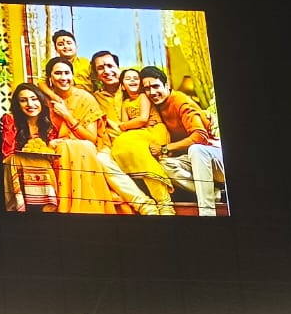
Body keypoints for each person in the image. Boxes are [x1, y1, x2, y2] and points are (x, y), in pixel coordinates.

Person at [40, 57, 159, 215]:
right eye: (58, 73)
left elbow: (92, 139)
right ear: (49, 77)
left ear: (73, 76)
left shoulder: (89, 97)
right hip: (59, 148)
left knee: (100, 159)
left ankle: (143, 204)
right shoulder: (44, 100)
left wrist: (67, 116)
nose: (63, 77)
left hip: (97, 146)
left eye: (67, 73)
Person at [111, 66, 223, 216]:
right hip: (194, 161)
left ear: (167, 84)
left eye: (156, 86)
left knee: (196, 149)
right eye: (147, 88)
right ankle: (215, 193)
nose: (152, 92)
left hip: (215, 155)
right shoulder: (157, 105)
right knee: (164, 165)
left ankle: (207, 214)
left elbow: (200, 137)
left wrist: (165, 148)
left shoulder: (180, 101)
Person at [0, 82, 61, 212]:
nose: (30, 104)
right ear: (17, 104)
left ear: (41, 101)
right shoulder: (10, 119)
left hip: (44, 170)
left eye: (34, 99)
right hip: (17, 168)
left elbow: (51, 152)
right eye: (23, 100)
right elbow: (7, 153)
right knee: (17, 160)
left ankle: (47, 206)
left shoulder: (48, 124)